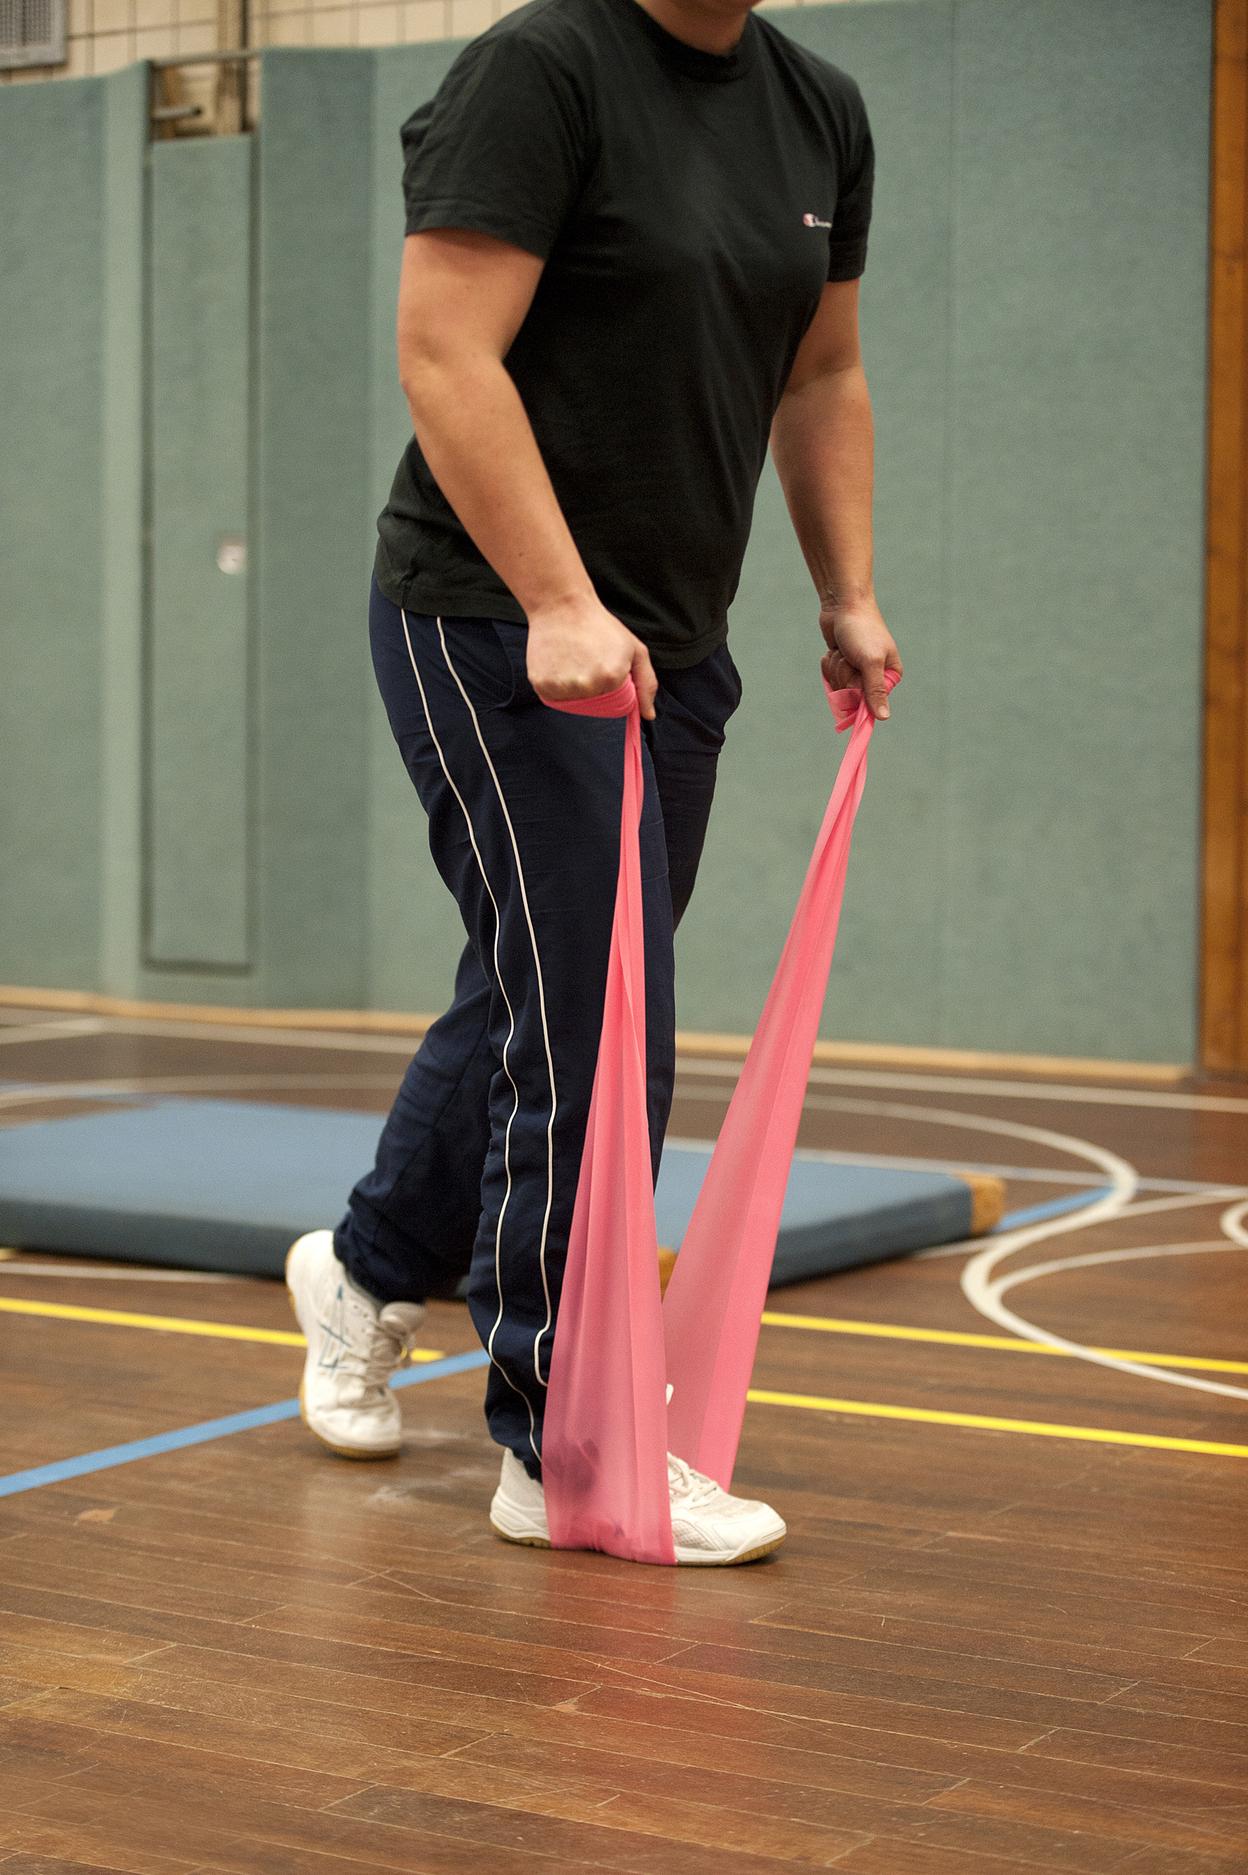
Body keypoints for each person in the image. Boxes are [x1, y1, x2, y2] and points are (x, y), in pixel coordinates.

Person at [286, 0, 902, 1565]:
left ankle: (365, 1269)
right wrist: (559, 599)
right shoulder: (541, 71)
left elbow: (822, 372)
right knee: (593, 1011)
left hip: (668, 645)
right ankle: (568, 1442)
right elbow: (447, 350)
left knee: (546, 988)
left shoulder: (818, 110)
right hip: (496, 619)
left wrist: (846, 588)